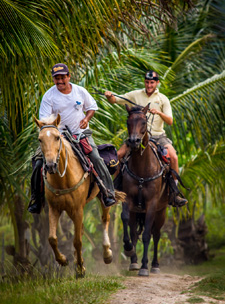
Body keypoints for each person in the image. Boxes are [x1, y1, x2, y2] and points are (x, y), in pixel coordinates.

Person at [28, 63, 116, 214]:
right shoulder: (49, 96)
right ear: (53, 79)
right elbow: (45, 121)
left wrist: (87, 119)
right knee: (37, 164)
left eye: (63, 77)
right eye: (57, 78)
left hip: (80, 134)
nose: (60, 81)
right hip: (57, 136)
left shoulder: (79, 91)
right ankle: (36, 199)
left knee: (96, 157)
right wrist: (56, 134)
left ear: (69, 76)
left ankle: (108, 192)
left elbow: (92, 107)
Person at [104, 70, 188, 207]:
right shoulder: (135, 95)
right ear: (145, 82)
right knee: (118, 155)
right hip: (136, 137)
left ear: (157, 83)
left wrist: (159, 112)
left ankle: (174, 192)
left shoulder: (163, 99)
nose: (149, 85)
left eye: (152, 83)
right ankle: (115, 189)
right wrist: (109, 96)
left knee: (174, 157)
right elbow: (115, 100)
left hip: (158, 137)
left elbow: (170, 121)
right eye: (147, 82)